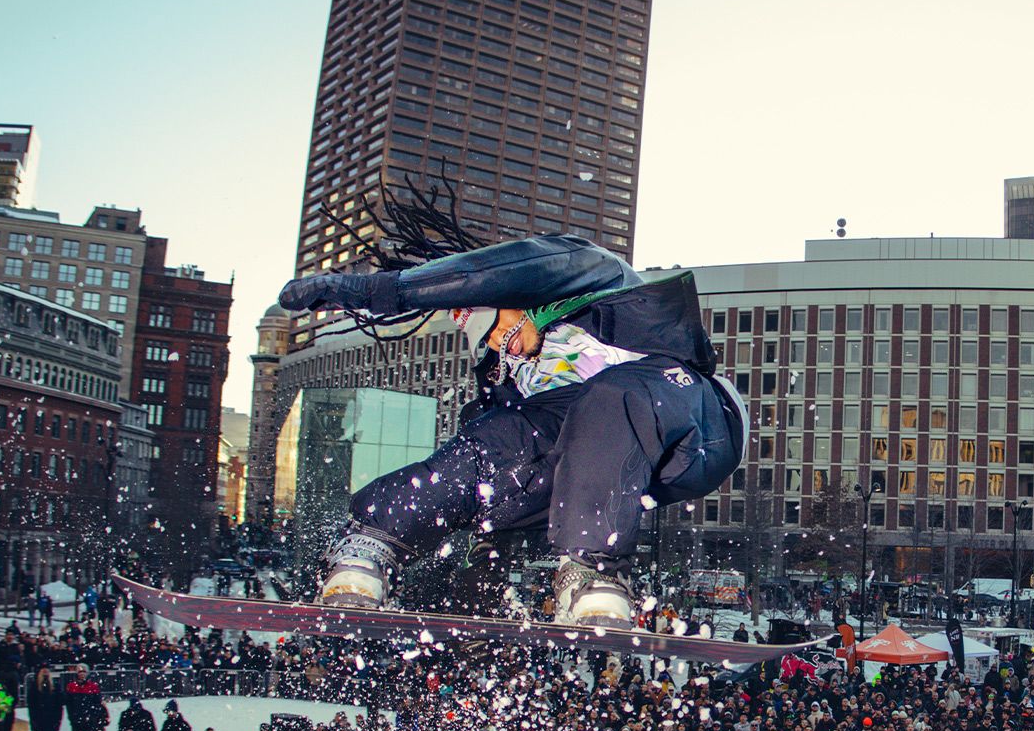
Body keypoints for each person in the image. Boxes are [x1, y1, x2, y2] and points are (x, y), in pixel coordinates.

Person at [282, 229, 744, 626]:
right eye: (492, 345)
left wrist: (376, 292)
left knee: (608, 398)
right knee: (494, 444)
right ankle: (374, 542)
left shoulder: (592, 274)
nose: (505, 348)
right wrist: (481, 582)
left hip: (692, 420)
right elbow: (498, 476)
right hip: (605, 457)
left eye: (500, 331)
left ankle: (595, 565)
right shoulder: (509, 377)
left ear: (517, 304)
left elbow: (499, 270)